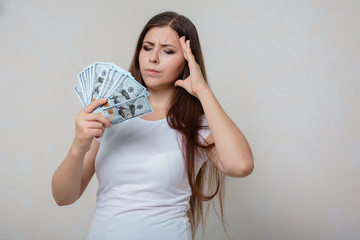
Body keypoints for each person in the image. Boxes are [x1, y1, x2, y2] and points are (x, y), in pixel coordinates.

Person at [51, 11, 254, 240]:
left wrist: (202, 90)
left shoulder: (196, 126)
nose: (153, 58)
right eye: (147, 47)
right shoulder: (109, 114)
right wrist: (79, 145)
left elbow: (241, 165)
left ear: (188, 61)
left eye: (167, 51)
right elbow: (63, 197)